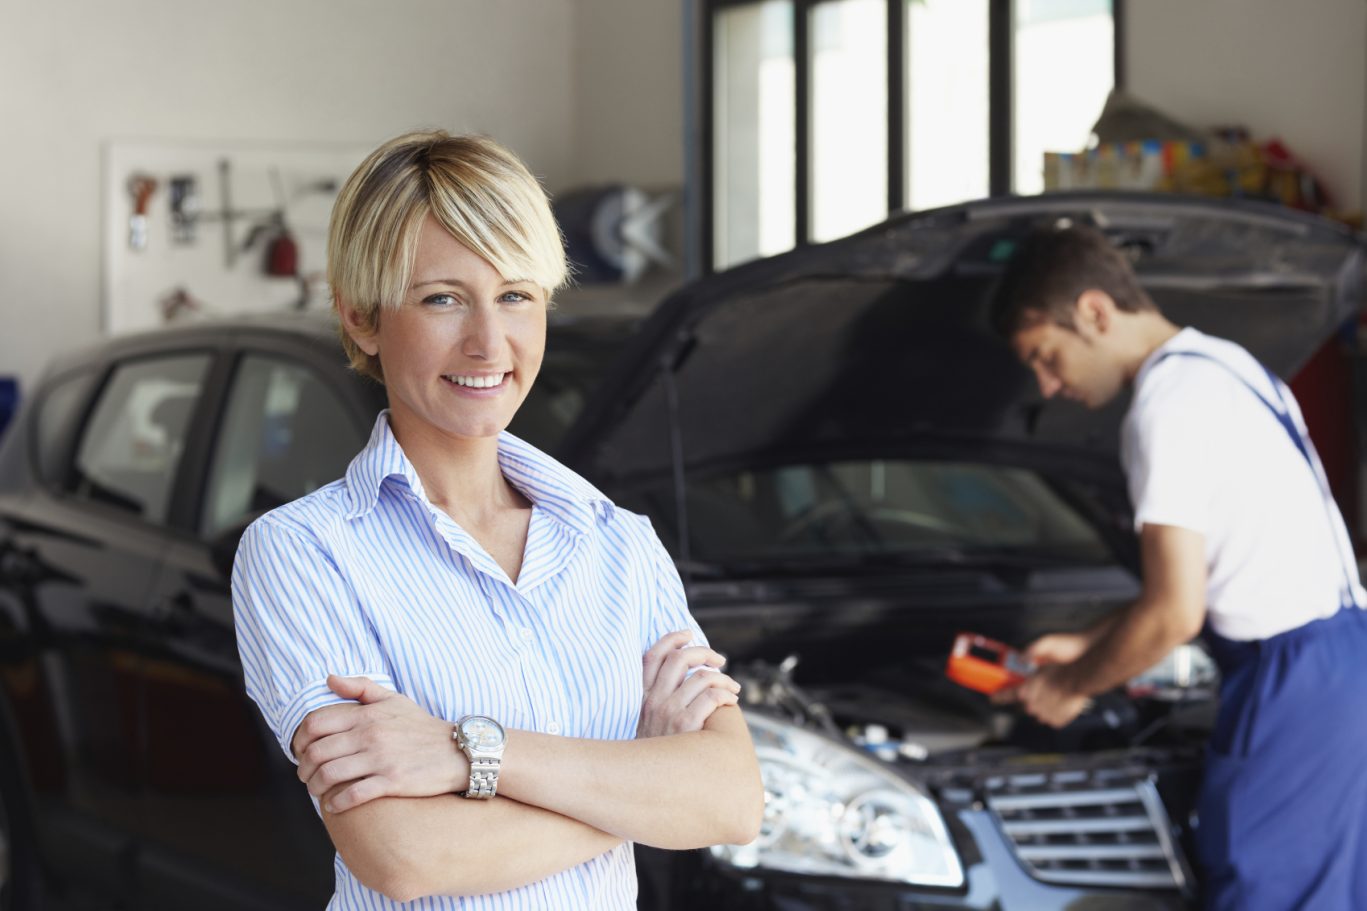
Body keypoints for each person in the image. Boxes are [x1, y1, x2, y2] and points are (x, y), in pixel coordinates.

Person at [231, 130, 764, 909]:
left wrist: (465, 752)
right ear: (361, 318)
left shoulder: (617, 542)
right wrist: (637, 791)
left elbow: (732, 802)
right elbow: (405, 853)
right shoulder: (303, 553)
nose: (489, 342)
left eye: (516, 294)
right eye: (442, 298)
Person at [987, 223, 1367, 910]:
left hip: (1291, 679)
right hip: (1339, 661)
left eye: (1046, 356)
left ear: (1094, 313)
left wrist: (1071, 682)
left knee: (1268, 891)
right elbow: (1226, 568)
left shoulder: (1165, 407)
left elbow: (1174, 612)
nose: (1046, 384)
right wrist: (1088, 639)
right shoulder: (1226, 364)